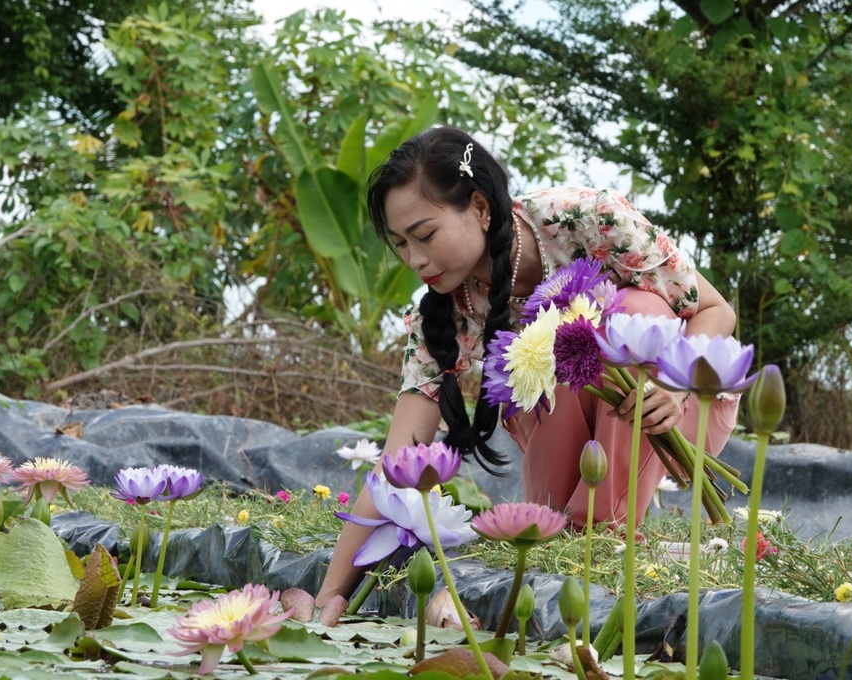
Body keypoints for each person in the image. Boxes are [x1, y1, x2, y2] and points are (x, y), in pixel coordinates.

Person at [315, 126, 739, 606]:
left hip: (677, 403)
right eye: (401, 244)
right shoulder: (441, 312)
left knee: (635, 312)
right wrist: (330, 594)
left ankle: (602, 538)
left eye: (425, 236)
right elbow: (396, 463)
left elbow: (715, 311)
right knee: (533, 353)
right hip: (564, 431)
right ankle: (579, 541)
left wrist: (674, 383)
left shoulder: (586, 218)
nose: (415, 260)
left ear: (478, 208)